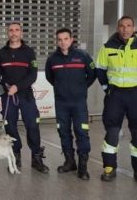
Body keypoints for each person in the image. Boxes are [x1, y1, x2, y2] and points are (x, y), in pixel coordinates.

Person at [95, 15, 137, 185]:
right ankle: (109, 167)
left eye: (129, 26)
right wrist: (107, 89)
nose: (125, 29)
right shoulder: (107, 47)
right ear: (118, 28)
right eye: (122, 26)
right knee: (112, 132)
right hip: (115, 95)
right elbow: (100, 69)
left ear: (134, 28)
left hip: (136, 95)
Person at [0, 22, 48, 173]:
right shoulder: (1, 53)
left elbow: (33, 75)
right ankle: (15, 155)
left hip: (26, 95)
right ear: (7, 33)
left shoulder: (29, 52)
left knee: (32, 125)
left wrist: (18, 86)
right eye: (11, 30)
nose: (14, 33)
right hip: (7, 96)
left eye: (17, 30)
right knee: (10, 126)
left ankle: (36, 157)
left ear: (21, 33)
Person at [45, 28, 96, 180]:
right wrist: (61, 89)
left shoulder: (83, 56)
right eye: (59, 39)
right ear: (57, 41)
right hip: (61, 102)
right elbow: (50, 77)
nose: (62, 42)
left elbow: (92, 75)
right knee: (64, 132)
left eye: (65, 39)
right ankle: (69, 161)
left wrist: (81, 88)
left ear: (71, 39)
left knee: (82, 132)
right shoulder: (52, 59)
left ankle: (83, 167)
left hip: (79, 102)